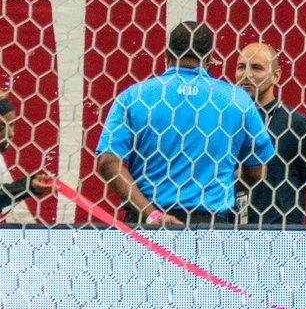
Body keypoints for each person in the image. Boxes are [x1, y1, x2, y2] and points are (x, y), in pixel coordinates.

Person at [93, 21, 277, 228]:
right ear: (209, 59)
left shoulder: (134, 97)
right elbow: (257, 172)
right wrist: (222, 182)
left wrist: (151, 214)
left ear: (166, 56)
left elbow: (108, 162)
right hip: (211, 225)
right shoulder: (237, 100)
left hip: (147, 224)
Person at [233, 41, 306, 227]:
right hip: (230, 232)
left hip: (281, 236)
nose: (247, 75)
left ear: (276, 76)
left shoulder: (296, 124)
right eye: (241, 67)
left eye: (257, 68)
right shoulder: (227, 120)